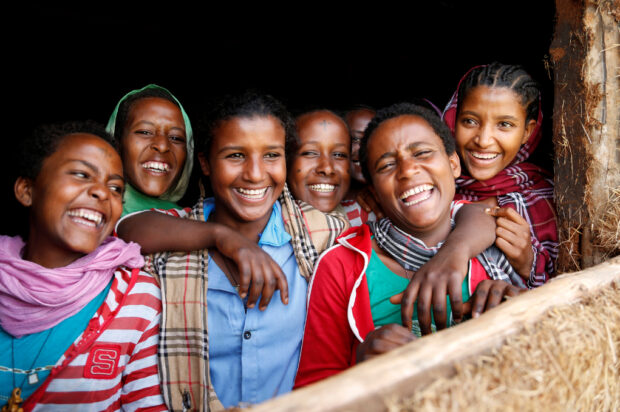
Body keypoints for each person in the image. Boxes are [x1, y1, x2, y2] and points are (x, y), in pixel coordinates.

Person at [117, 91, 349, 410]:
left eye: (271, 155)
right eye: (235, 155)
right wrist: (221, 236)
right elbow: (126, 228)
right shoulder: (174, 240)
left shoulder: (321, 234)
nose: (255, 174)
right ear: (205, 163)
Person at [294, 103, 525, 388]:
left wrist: (520, 309)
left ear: (453, 164)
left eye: (422, 153)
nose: (407, 170)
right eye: (387, 165)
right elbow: (312, 387)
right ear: (373, 190)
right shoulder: (341, 264)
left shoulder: (499, 240)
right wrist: (360, 364)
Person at [0, 121, 165, 410]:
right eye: (81, 174)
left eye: (115, 188)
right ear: (27, 190)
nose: (102, 193)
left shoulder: (135, 297)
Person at [442, 63, 558, 287]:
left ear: (527, 131)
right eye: (470, 121)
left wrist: (529, 262)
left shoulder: (553, 200)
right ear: (453, 120)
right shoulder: (432, 187)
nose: (483, 140)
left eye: (504, 124)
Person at [106, 83, 194, 216]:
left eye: (176, 138)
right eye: (145, 132)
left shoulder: (192, 217)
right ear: (116, 144)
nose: (163, 146)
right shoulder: (96, 212)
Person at [288, 109, 351, 214]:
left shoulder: (368, 220)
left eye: (339, 155)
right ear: (286, 161)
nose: (327, 168)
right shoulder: (262, 226)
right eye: (310, 153)